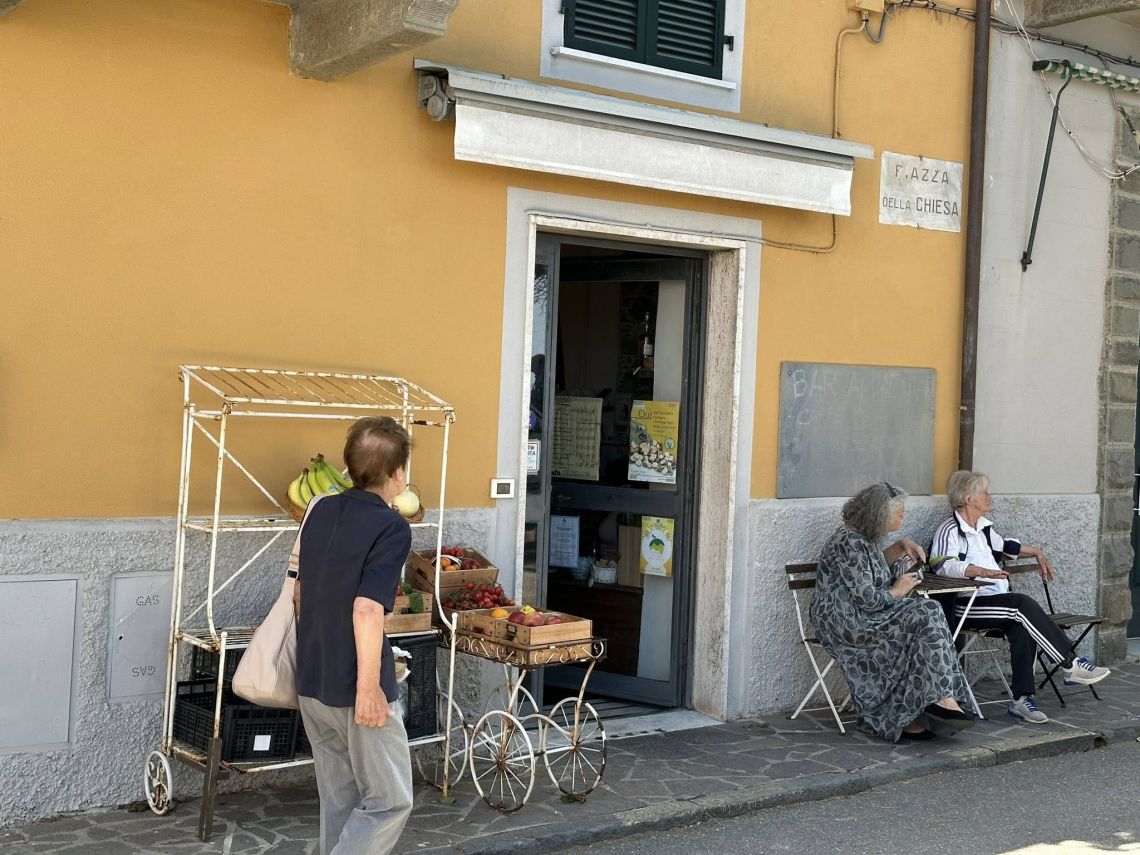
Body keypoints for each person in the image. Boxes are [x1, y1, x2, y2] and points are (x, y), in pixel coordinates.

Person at [295, 416, 414, 855]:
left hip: (312, 675)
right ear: (397, 472)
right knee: (389, 800)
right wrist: (368, 686)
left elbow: (302, 593)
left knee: (340, 798)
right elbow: (366, 608)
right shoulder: (392, 527)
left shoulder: (320, 509)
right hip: (355, 684)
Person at [931, 470, 1110, 724]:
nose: (989, 497)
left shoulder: (983, 530)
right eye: (985, 492)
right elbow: (940, 564)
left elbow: (1006, 546)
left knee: (1023, 625)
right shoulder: (950, 531)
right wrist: (976, 571)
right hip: (966, 606)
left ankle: (1021, 700)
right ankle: (1071, 664)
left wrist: (1036, 552)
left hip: (997, 603)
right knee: (1021, 605)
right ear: (968, 498)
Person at [809, 482, 975, 743]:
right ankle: (935, 700)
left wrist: (898, 547)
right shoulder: (851, 542)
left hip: (861, 614)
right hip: (846, 621)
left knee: (925, 613)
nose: (903, 516)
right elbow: (869, 600)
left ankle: (921, 709)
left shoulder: (863, 539)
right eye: (899, 513)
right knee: (924, 612)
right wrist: (898, 590)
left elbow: (868, 572)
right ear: (879, 516)